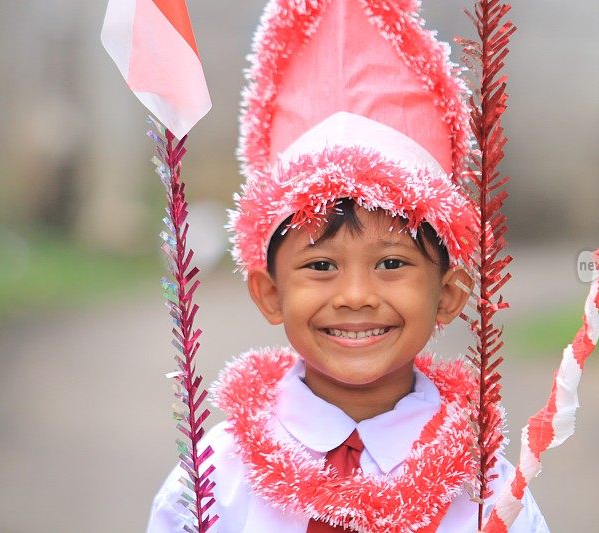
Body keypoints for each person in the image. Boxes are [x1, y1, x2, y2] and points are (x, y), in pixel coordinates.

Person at [147, 0, 549, 531]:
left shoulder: (489, 493)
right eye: (320, 266)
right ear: (269, 293)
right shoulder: (211, 482)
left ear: (450, 294)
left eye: (390, 262)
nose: (356, 294)